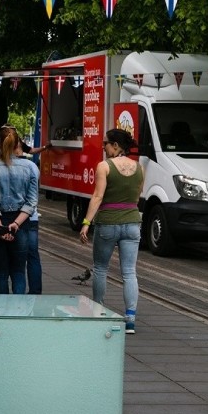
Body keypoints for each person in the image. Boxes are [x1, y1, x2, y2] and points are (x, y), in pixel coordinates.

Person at [80, 128, 144, 334]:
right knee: (129, 272)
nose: (103, 147)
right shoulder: (139, 167)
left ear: (116, 145)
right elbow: (136, 196)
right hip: (132, 223)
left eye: (105, 143)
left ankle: (98, 310)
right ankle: (130, 319)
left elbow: (98, 196)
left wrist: (86, 222)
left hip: (107, 223)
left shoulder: (104, 166)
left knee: (100, 268)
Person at [0, 125, 39, 294]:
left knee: (1, 270)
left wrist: (0, 226)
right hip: (21, 224)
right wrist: (16, 224)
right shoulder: (29, 168)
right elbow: (32, 201)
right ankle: (18, 314)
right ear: (18, 145)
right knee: (18, 271)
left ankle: (1, 313)